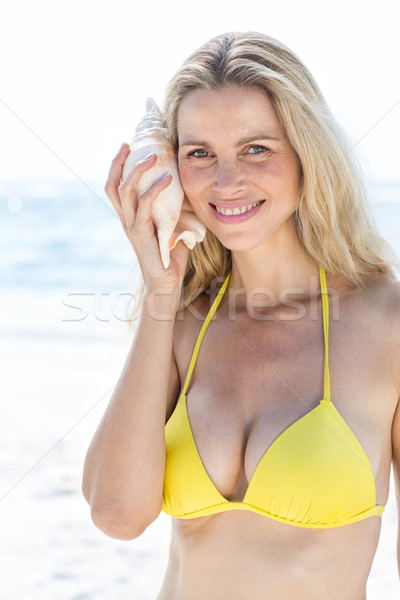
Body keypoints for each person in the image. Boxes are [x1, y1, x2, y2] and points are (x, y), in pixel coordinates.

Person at [82, 31, 400, 599]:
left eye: (257, 148)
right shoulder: (183, 322)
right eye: (199, 153)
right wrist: (161, 286)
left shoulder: (387, 323)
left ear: (307, 156)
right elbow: (117, 514)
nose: (226, 181)